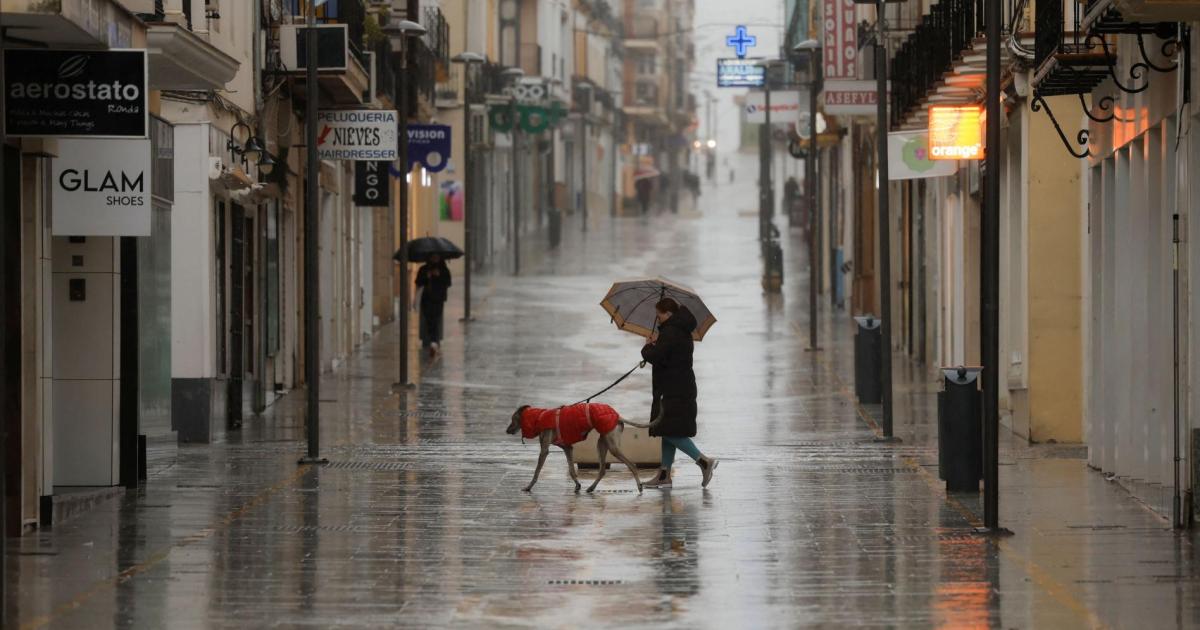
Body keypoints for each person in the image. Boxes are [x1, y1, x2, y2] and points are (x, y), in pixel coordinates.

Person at [640, 298, 718, 489]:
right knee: (667, 430)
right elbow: (669, 354)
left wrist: (648, 346)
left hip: (673, 389)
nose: (657, 319)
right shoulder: (678, 330)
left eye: (659, 315)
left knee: (668, 430)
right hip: (679, 387)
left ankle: (704, 462)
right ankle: (664, 475)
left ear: (668, 314)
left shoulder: (671, 332)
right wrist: (658, 342)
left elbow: (658, 357)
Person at [415, 254, 452, 356]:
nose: (435, 259)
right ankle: (431, 341)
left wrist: (439, 275)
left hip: (438, 299)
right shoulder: (423, 269)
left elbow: (448, 283)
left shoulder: (444, 270)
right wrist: (427, 276)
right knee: (427, 319)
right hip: (426, 299)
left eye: (437, 257)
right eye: (432, 257)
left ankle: (434, 341)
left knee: (436, 319)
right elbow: (418, 282)